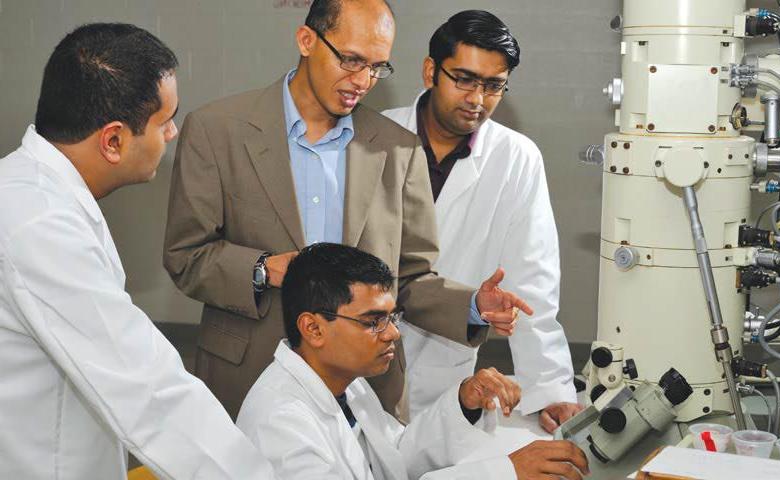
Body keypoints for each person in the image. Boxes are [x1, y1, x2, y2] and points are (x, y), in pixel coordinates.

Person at [164, 0, 531, 421]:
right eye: (352, 60)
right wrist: (264, 269)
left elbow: (409, 277)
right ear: (306, 40)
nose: (363, 80)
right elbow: (186, 256)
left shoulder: (398, 148)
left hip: (366, 388)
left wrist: (471, 305)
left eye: (377, 67)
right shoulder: (217, 130)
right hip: (246, 374)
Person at [0, 23, 276, 479]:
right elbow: (149, 390)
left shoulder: (32, 190)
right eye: (165, 120)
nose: (172, 134)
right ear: (113, 140)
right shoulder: (40, 225)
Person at [236, 243, 590, 480]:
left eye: (392, 318)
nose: (393, 334)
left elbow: (396, 458)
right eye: (373, 321)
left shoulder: (346, 385)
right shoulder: (279, 422)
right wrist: (505, 473)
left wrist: (464, 402)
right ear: (313, 328)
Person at [383, 10, 581, 432]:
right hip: (361, 358)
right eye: (465, 79)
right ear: (430, 71)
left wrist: (550, 386)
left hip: (446, 368)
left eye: (494, 85)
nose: (477, 98)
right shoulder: (373, 137)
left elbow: (532, 281)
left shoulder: (516, 157)